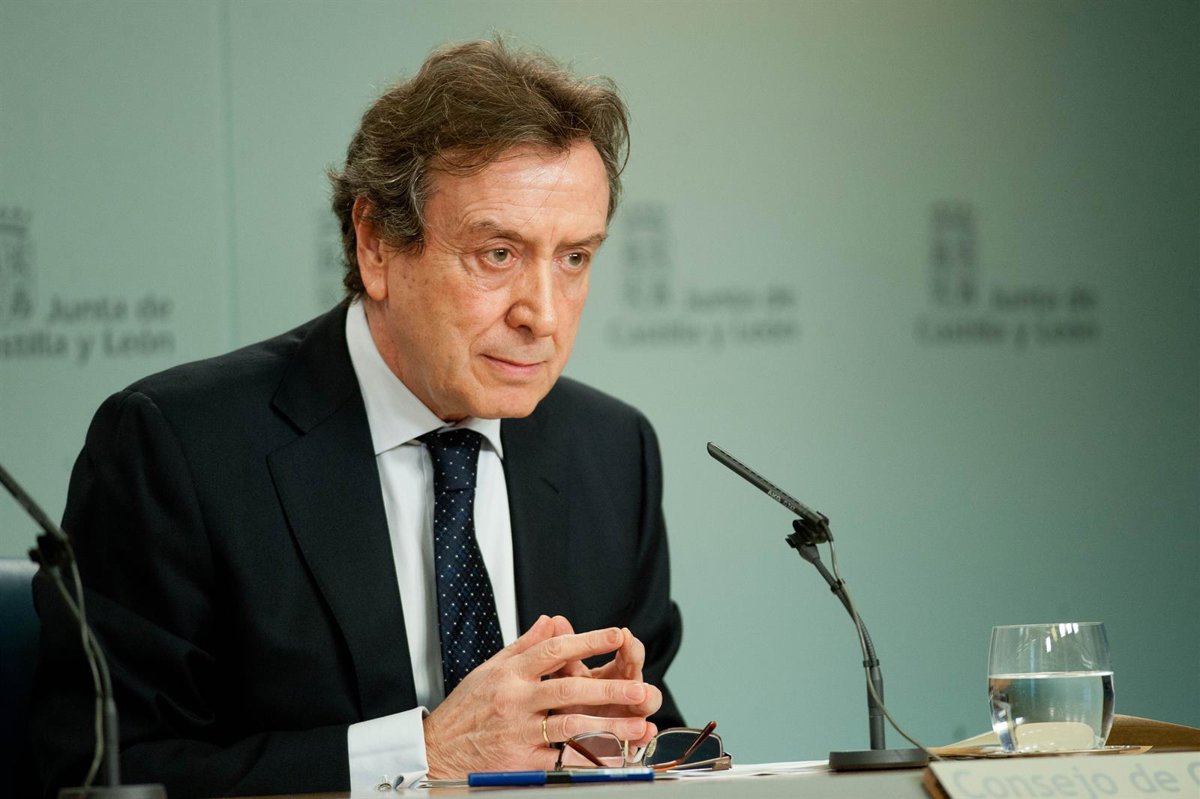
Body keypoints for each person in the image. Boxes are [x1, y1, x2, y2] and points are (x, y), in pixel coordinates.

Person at [30, 39, 682, 798]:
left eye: (574, 258)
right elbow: (97, 773)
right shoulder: (178, 448)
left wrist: (623, 745)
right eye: (498, 253)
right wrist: (423, 753)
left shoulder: (612, 451)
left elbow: (652, 742)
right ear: (376, 245)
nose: (542, 314)